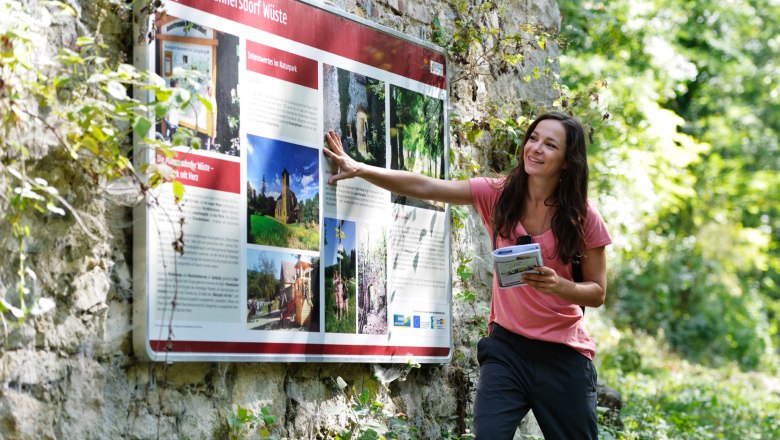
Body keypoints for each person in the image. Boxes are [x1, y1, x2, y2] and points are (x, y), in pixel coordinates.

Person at [324, 112, 611, 439]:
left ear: (567, 160)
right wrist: (359, 168)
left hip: (564, 355)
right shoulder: (498, 194)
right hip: (508, 349)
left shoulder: (582, 215)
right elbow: (424, 185)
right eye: (533, 138)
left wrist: (559, 286)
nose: (536, 148)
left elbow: (597, 292)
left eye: (550, 145)